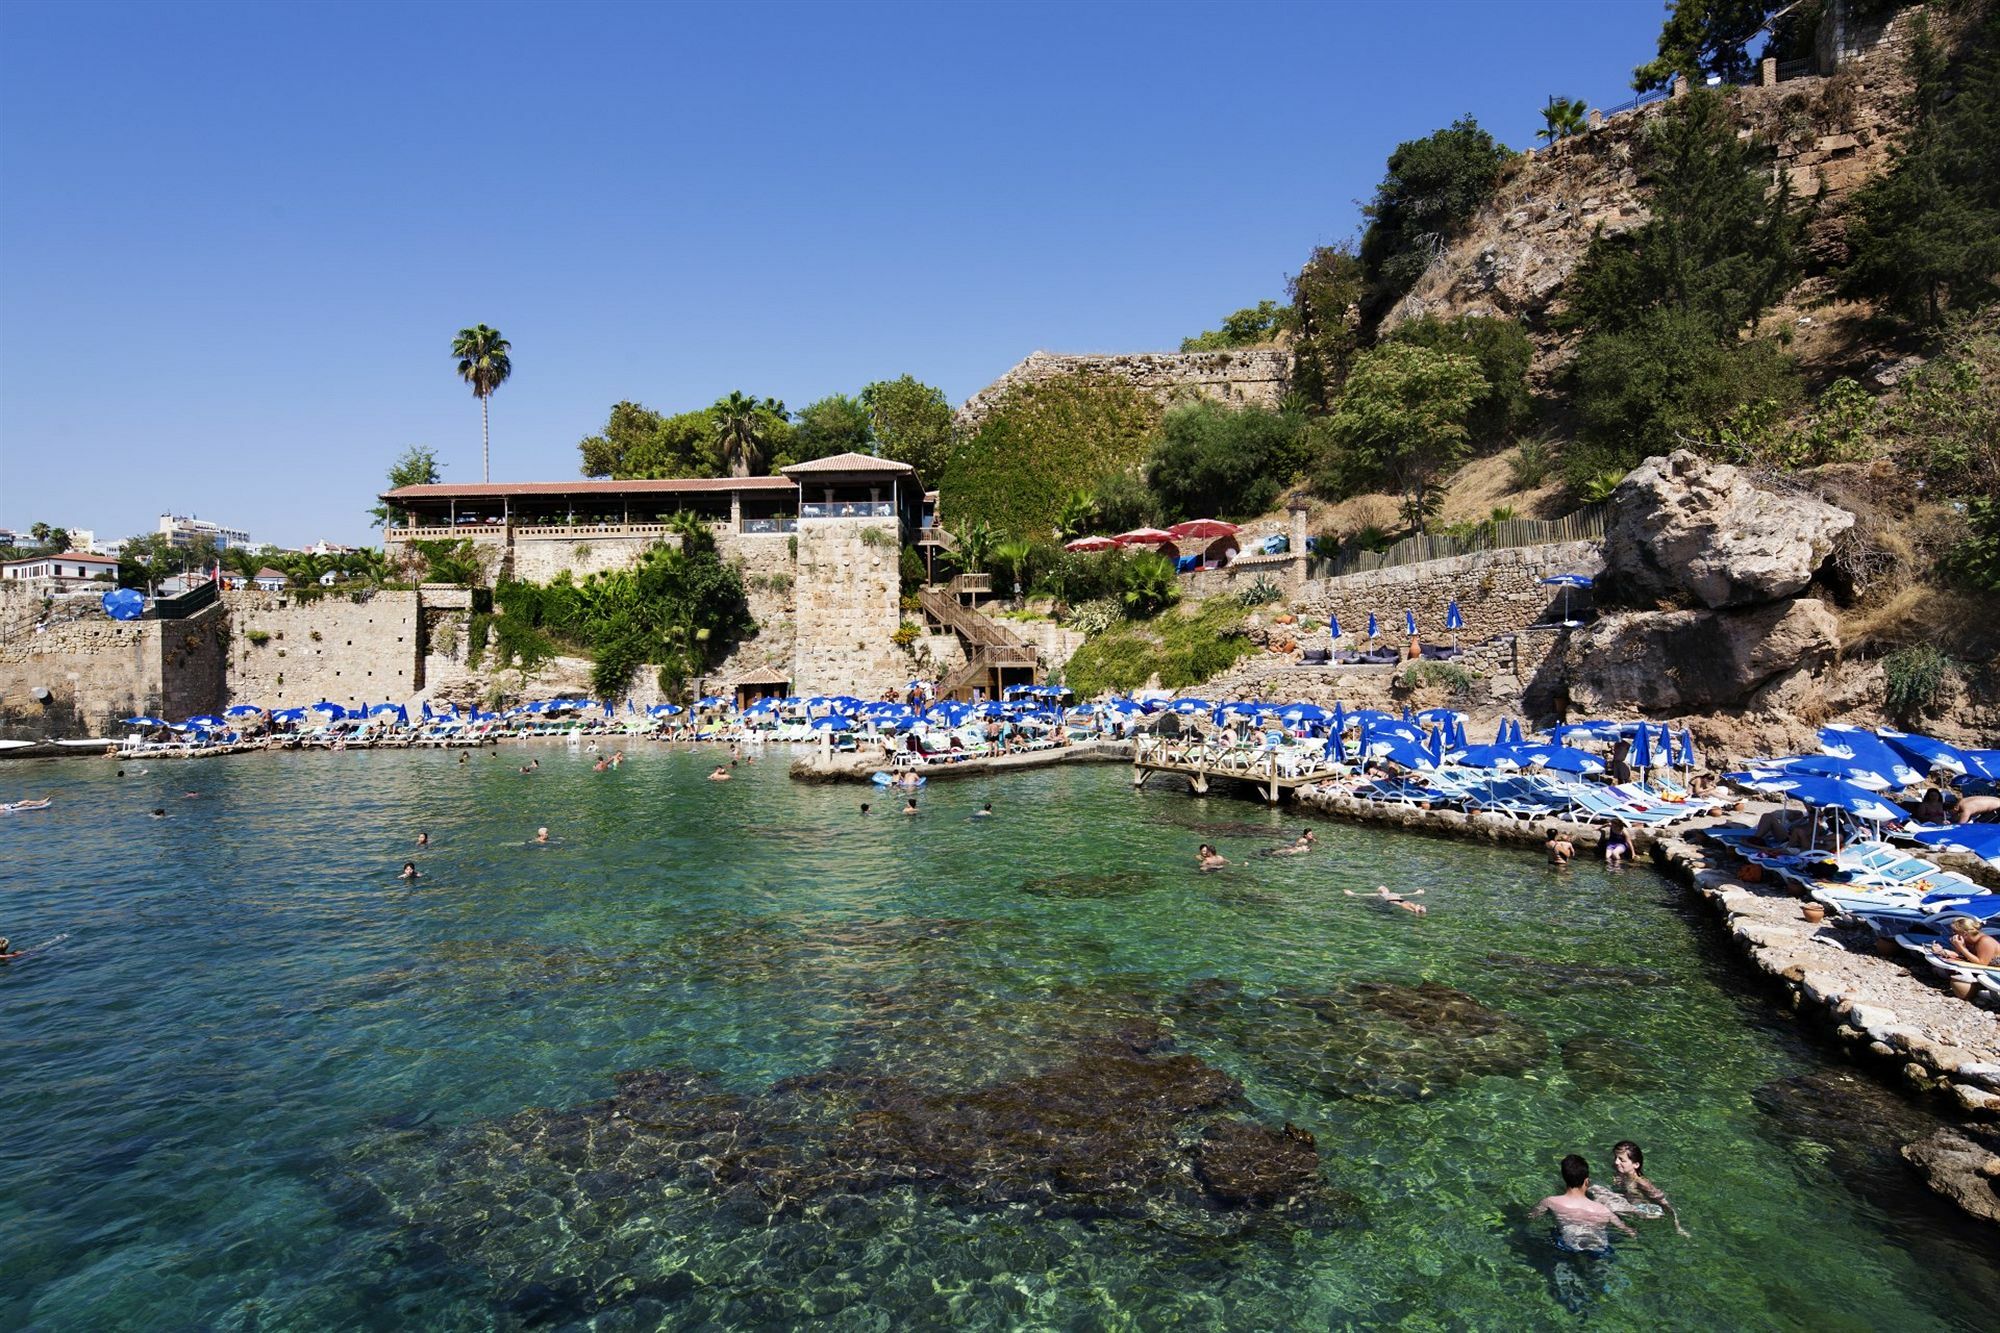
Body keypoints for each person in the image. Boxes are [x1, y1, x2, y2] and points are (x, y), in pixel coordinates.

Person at [1530, 1155, 1636, 1254]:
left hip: (1568, 1247)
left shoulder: (1551, 1202)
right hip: (1599, 1250)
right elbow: (1629, 1232)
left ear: (1564, 1179)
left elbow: (1532, 1217)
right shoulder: (1603, 1210)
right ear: (1586, 1181)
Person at [1590, 1140, 1689, 1237]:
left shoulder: (1641, 1182)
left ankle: (1628, 1229)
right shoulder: (1619, 1172)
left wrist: (1677, 1225)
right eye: (1616, 1157)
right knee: (1596, 1190)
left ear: (1636, 1165)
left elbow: (1664, 1202)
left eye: (1622, 1160)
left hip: (1646, 1211)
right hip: (1629, 1206)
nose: (1616, 1162)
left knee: (1601, 1199)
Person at [1932, 917, 2000, 967]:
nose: (1953, 933)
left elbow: (1982, 963)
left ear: (1965, 933)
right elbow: (1961, 955)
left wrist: (1962, 948)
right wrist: (1942, 951)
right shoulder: (1968, 941)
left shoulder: (1985, 941)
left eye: (1955, 931)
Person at [1345, 884, 1426, 916]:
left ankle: (1416, 910)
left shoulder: (1394, 893)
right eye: (1383, 888)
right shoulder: (1381, 894)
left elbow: (1406, 894)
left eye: (1384, 887)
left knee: (1407, 902)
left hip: (1398, 899)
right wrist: (1353, 894)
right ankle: (1416, 910)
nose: (1385, 888)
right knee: (1404, 903)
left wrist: (1416, 893)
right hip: (1393, 900)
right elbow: (1365, 894)